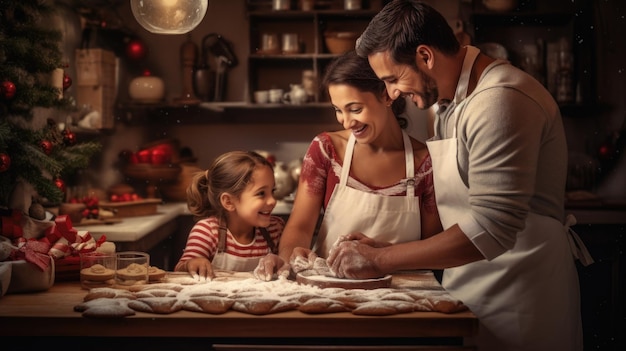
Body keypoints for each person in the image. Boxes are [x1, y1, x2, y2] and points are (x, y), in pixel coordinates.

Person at [325, 1, 593, 351]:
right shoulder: (451, 105)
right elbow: (461, 212)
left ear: (425, 56)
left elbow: (492, 227)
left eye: (392, 79)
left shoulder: (498, 100)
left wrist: (380, 259)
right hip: (471, 287)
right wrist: (390, 248)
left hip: (523, 298)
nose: (392, 93)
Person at [253, 50, 442, 280]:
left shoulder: (425, 163)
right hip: (331, 289)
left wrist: (383, 254)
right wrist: (289, 256)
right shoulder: (326, 150)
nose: (346, 121)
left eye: (355, 109)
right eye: (338, 110)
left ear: (387, 96)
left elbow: (433, 249)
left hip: (405, 291)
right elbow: (300, 227)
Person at [174, 150, 284, 280]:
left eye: (273, 191)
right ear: (229, 201)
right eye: (261, 193)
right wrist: (192, 263)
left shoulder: (275, 229)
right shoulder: (207, 232)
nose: (272, 201)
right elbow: (179, 269)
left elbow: (286, 266)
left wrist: (281, 262)